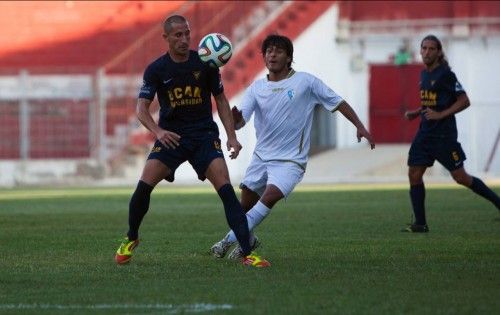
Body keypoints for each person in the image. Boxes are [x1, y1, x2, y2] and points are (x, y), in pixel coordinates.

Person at [114, 15, 270, 268]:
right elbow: (141, 109)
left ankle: (246, 252)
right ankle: (131, 237)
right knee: (143, 186)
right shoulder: (156, 69)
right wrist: (158, 131)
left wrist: (231, 136)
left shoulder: (207, 63)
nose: (184, 39)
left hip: (204, 137)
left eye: (187, 33)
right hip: (172, 137)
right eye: (178, 35)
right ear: (165, 38)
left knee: (227, 191)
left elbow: (220, 100)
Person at [210, 34, 375, 260]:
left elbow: (338, 102)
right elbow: (240, 122)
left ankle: (225, 242)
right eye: (268, 51)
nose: (272, 54)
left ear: (289, 57)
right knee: (244, 206)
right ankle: (248, 240)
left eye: (278, 51)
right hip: (261, 157)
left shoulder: (305, 82)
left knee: (268, 198)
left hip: (290, 161)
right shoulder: (256, 88)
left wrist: (359, 126)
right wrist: (235, 118)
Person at [402, 34, 500, 232]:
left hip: (443, 137)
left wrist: (440, 115)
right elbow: (431, 102)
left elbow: (464, 101)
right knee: (414, 173)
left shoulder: (446, 74)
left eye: (431, 49)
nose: (427, 52)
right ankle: (420, 224)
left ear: (439, 52)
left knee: (461, 177)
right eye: (424, 48)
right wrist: (416, 112)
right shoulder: (424, 75)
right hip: (425, 134)